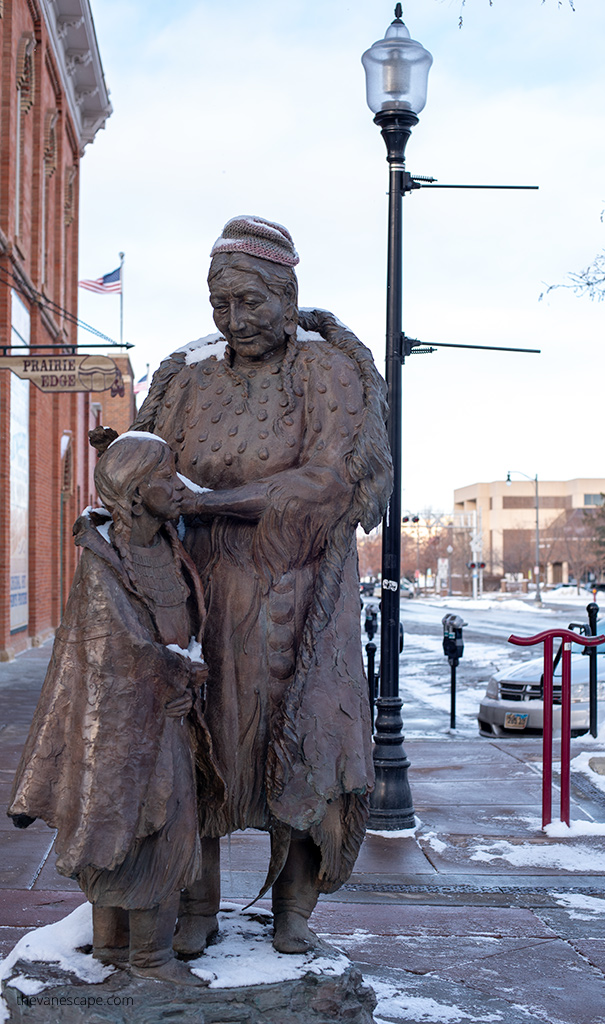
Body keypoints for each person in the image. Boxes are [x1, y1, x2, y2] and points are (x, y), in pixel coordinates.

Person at [133, 215, 392, 955]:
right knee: (194, 743)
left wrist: (213, 501)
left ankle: (294, 912)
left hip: (299, 591)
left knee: (309, 743)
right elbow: (150, 458)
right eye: (222, 305)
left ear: (287, 294)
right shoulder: (187, 373)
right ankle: (195, 906)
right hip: (200, 591)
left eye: (251, 302)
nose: (235, 320)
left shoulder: (324, 369)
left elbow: (329, 481)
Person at [8, 431, 223, 985]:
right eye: (164, 478)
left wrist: (187, 673)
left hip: (167, 717)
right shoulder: (102, 560)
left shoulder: (167, 547)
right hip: (122, 726)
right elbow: (116, 646)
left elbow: (183, 623)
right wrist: (176, 670)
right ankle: (141, 956)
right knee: (141, 829)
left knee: (160, 827)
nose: (178, 488)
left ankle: (125, 948)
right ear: (132, 490)